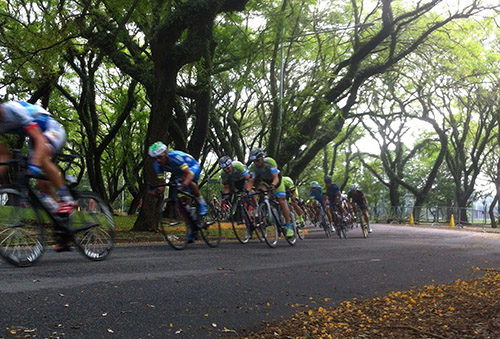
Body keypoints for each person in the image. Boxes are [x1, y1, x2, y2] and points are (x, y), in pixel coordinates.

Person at [0, 100, 77, 251]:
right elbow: (4, 156)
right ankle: (63, 228)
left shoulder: (13, 109)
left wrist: (34, 165)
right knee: (44, 188)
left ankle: (67, 199)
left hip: (51, 129)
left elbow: (40, 140)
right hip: (35, 139)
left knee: (40, 160)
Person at [148, 142, 208, 244]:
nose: (158, 160)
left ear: (166, 153)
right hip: (180, 172)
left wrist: (184, 184)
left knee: (188, 182)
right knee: (181, 202)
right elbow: (162, 184)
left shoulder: (175, 157)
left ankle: (201, 202)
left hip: (192, 166)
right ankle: (191, 226)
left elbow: (188, 174)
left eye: (159, 157)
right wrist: (156, 191)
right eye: (155, 158)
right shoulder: (157, 165)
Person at [245, 148, 294, 238]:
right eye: (254, 161)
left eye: (258, 160)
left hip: (276, 181)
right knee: (260, 191)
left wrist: (273, 185)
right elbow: (251, 181)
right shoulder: (253, 167)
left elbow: (275, 177)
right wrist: (247, 191)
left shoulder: (270, 162)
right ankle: (265, 210)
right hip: (265, 181)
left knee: (281, 201)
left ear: (262, 158)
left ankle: (288, 226)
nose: (256, 163)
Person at [219, 155, 253, 238]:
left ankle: (256, 208)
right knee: (242, 202)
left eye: (228, 168)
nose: (227, 171)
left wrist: (247, 191)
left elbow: (249, 179)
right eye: (225, 170)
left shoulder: (237, 166)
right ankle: (249, 227)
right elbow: (226, 188)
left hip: (245, 179)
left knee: (248, 191)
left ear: (231, 165)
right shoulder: (223, 174)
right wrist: (225, 198)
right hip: (237, 183)